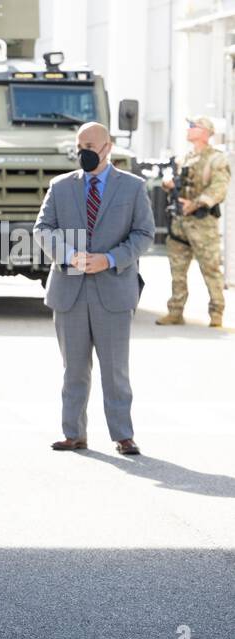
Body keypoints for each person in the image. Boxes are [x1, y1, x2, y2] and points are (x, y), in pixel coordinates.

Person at [35, 122, 154, 456]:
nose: (83, 150)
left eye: (90, 144)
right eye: (79, 144)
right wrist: (70, 255)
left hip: (113, 289)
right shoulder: (60, 186)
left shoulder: (132, 187)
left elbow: (144, 234)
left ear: (107, 147)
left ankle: (123, 434)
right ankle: (73, 433)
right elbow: (43, 229)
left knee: (115, 369)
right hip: (69, 290)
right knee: (73, 368)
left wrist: (111, 259)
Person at [161, 116, 229, 327]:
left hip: (202, 223)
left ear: (206, 132)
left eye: (194, 127)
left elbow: (219, 189)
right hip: (180, 222)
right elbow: (177, 185)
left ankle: (216, 313)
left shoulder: (216, 159)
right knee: (177, 270)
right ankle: (175, 311)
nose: (189, 130)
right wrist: (168, 184)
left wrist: (195, 203)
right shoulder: (183, 158)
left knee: (210, 270)